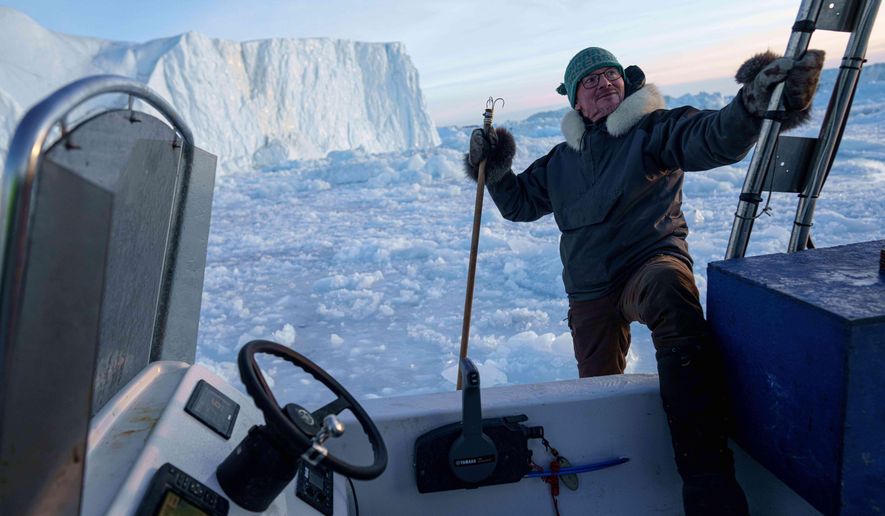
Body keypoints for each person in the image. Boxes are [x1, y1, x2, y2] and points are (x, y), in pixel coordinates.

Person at [464, 47, 824, 515]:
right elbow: (519, 204)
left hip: (649, 262)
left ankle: (707, 478)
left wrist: (751, 105)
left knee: (670, 293)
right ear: (576, 101)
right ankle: (617, 482)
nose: (605, 83)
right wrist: (492, 168)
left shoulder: (653, 130)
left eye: (612, 75)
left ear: (627, 85)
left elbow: (712, 137)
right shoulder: (560, 161)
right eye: (590, 81)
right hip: (590, 288)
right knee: (597, 390)